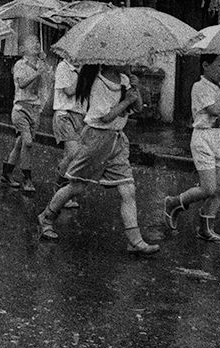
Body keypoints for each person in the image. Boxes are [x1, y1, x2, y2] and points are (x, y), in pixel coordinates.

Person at [37, 64, 159, 255]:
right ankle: (46, 217)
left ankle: (135, 241)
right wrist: (127, 101)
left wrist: (135, 88)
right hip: (96, 139)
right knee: (76, 187)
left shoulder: (125, 81)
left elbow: (137, 107)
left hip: (117, 141)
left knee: (128, 190)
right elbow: (105, 117)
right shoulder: (98, 83)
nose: (128, 62)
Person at [164, 54, 220, 244]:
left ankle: (206, 228)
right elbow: (214, 110)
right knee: (208, 187)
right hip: (204, 137)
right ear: (205, 65)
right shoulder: (200, 87)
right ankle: (174, 202)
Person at [2, 36, 47, 194]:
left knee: (20, 143)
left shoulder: (41, 65)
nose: (36, 44)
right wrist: (37, 73)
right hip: (21, 108)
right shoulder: (19, 64)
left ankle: (7, 172)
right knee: (28, 142)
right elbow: (21, 83)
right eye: (31, 42)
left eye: (37, 42)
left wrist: (45, 69)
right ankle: (27, 178)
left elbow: (46, 85)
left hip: (35, 108)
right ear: (23, 49)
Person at [51, 55, 84, 211]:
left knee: (72, 156)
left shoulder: (82, 68)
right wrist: (82, 75)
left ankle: (63, 191)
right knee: (73, 154)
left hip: (80, 115)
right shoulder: (63, 67)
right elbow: (69, 91)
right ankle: (59, 188)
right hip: (64, 115)